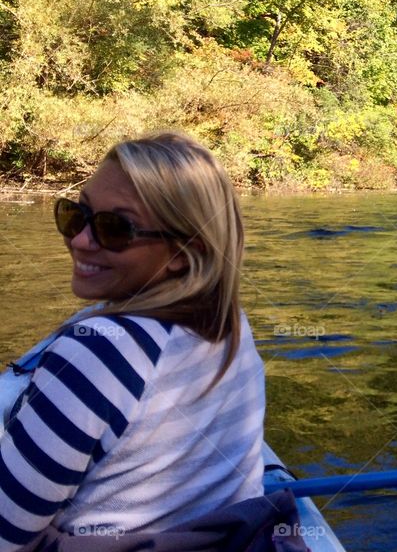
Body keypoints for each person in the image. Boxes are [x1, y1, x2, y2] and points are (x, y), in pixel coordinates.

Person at [0, 131, 266, 551]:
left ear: (184, 252)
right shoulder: (230, 326)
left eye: (114, 228)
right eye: (77, 213)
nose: (80, 240)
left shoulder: (96, 351)